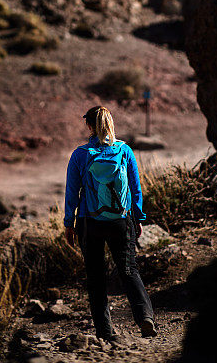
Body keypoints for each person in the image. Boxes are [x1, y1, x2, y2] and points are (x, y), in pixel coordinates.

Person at [64, 105, 157, 341]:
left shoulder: (80, 155)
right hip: (121, 221)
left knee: (95, 278)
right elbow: (136, 187)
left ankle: (105, 333)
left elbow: (72, 193)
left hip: (89, 221)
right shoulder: (124, 151)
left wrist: (69, 223)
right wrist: (138, 217)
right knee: (129, 271)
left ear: (89, 126)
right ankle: (145, 317)